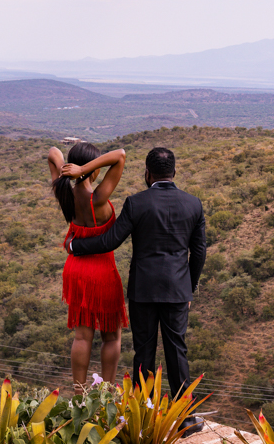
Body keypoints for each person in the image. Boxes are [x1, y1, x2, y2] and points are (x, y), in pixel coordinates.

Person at [66, 147, 206, 410]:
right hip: (177, 290)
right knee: (177, 350)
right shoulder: (193, 204)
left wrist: (76, 247)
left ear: (147, 174)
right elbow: (198, 253)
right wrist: (190, 287)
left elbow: (111, 240)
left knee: (144, 352)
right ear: (174, 173)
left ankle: (143, 412)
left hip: (143, 290)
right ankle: (185, 415)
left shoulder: (136, 203)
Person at [48, 142, 129, 388]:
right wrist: (83, 170)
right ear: (92, 169)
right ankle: (106, 395)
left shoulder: (65, 194)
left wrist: (69, 171)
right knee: (111, 337)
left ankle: (79, 396)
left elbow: (52, 152)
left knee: (82, 336)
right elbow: (120, 156)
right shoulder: (99, 198)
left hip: (76, 269)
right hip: (101, 271)